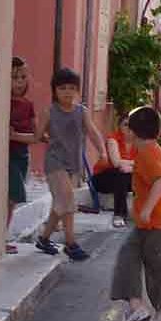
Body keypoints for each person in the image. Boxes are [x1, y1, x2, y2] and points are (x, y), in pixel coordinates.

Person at [111, 106, 161, 321]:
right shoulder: (155, 150)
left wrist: (147, 209)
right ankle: (136, 306)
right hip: (149, 224)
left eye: (126, 126)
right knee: (127, 256)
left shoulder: (148, 153)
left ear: (131, 132)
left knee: (156, 267)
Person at [34, 68, 106, 261]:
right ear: (55, 90)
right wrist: (39, 136)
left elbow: (92, 132)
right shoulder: (49, 111)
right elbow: (38, 135)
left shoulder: (82, 112)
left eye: (71, 88)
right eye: (62, 88)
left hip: (72, 164)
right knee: (68, 200)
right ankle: (71, 243)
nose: (67, 92)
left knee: (61, 204)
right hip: (54, 162)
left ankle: (44, 238)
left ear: (77, 91)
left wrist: (102, 150)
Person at [6, 58, 42, 254]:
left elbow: (36, 137)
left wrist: (16, 136)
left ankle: (2, 236)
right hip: (8, 156)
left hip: (22, 156)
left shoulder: (28, 105)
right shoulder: (5, 101)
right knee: (11, 197)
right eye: (14, 78)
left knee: (11, 201)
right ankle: (0, 238)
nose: (19, 82)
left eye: (22, 77)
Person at [91, 109, 137, 228]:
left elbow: (145, 164)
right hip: (102, 179)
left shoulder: (139, 142)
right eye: (125, 124)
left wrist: (132, 167)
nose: (128, 127)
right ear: (119, 126)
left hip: (124, 178)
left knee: (141, 175)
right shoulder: (113, 139)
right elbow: (116, 162)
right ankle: (119, 214)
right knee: (120, 172)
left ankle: (142, 212)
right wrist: (135, 164)